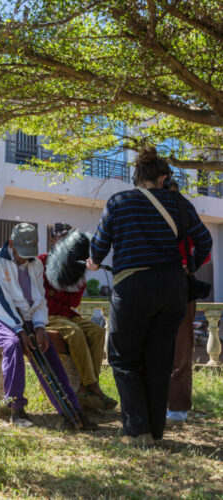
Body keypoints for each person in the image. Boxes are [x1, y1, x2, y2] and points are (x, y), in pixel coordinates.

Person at [87, 147, 212, 447]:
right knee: (159, 360)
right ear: (163, 178)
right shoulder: (179, 203)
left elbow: (97, 250)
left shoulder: (118, 202)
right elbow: (204, 240)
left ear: (137, 177)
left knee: (124, 358)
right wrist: (188, 267)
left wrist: (92, 262)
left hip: (133, 286)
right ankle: (156, 432)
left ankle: (136, 431)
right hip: (172, 289)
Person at [0, 222, 97, 429]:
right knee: (13, 344)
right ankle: (16, 410)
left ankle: (71, 410)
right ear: (11, 244)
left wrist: (40, 326)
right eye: (21, 253)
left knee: (47, 348)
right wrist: (19, 329)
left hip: (27, 318)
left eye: (29, 254)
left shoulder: (35, 264)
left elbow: (39, 300)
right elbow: (1, 301)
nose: (24, 258)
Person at [39, 223, 117, 410]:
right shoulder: (41, 261)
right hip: (46, 314)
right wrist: (57, 293)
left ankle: (85, 387)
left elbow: (73, 301)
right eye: (62, 237)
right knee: (74, 332)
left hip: (67, 313)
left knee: (97, 332)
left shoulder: (76, 265)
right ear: (52, 240)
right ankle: (93, 386)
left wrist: (58, 289)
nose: (66, 241)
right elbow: (39, 295)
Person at [167, 180, 211, 424]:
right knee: (177, 348)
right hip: (172, 281)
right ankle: (170, 405)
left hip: (179, 283)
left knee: (181, 348)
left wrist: (189, 266)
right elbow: (205, 245)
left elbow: (204, 245)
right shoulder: (183, 209)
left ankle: (177, 407)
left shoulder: (185, 212)